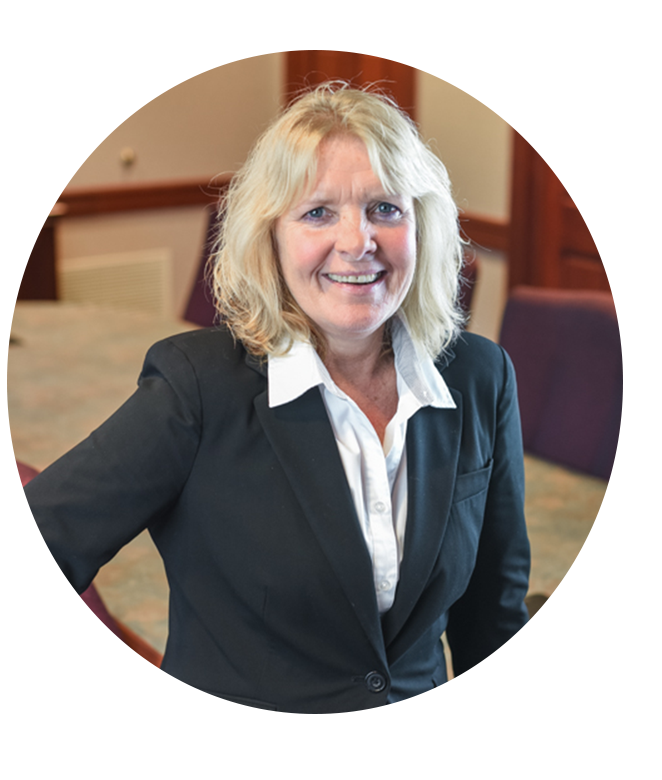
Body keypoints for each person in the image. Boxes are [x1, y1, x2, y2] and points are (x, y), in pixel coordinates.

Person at [25, 82, 530, 714]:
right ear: (271, 237)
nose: (357, 241)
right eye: (318, 213)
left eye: (384, 208)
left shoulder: (479, 377)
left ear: (419, 226)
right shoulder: (198, 389)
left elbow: (496, 622)